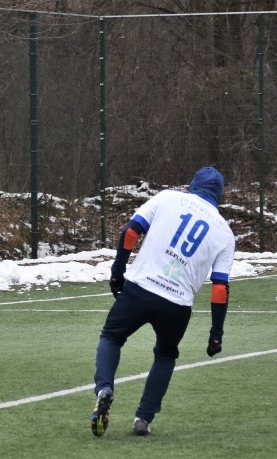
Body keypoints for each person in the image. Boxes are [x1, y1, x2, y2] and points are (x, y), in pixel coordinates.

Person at [90, 166, 234, 437]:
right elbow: (220, 288)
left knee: (111, 337)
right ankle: (143, 419)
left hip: (140, 288)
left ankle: (104, 388)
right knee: (166, 355)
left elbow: (131, 232)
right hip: (177, 304)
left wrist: (117, 273)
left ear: (192, 185)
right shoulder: (224, 232)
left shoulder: (167, 198)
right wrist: (216, 333)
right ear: (219, 196)